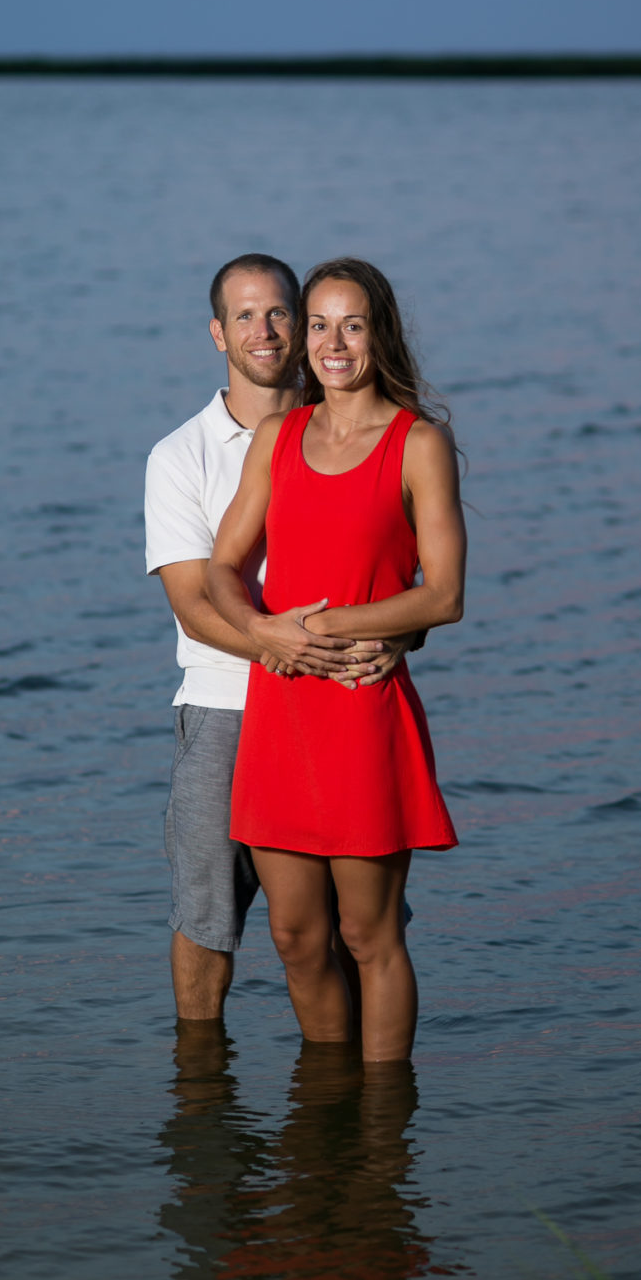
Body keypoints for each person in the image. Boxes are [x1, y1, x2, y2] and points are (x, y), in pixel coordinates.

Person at [209, 258, 466, 1063]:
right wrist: (265, 632)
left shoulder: (418, 443)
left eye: (351, 325)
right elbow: (221, 569)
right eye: (318, 325)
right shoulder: (278, 437)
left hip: (361, 706)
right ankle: (330, 1097)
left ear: (378, 332)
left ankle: (385, 1114)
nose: (333, 343)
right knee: (294, 934)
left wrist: (325, 626)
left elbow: (443, 595)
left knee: (368, 933)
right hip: (281, 710)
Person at [145, 254, 404, 1023]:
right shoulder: (180, 455)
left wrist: (403, 636)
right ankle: (201, 1082)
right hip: (226, 708)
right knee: (207, 919)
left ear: (302, 323)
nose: (265, 330)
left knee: (357, 931)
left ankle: (358, 1089)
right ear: (217, 333)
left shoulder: (356, 428)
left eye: (280, 313)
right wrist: (276, 644)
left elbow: (405, 574)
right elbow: (194, 605)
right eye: (245, 316)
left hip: (339, 701)